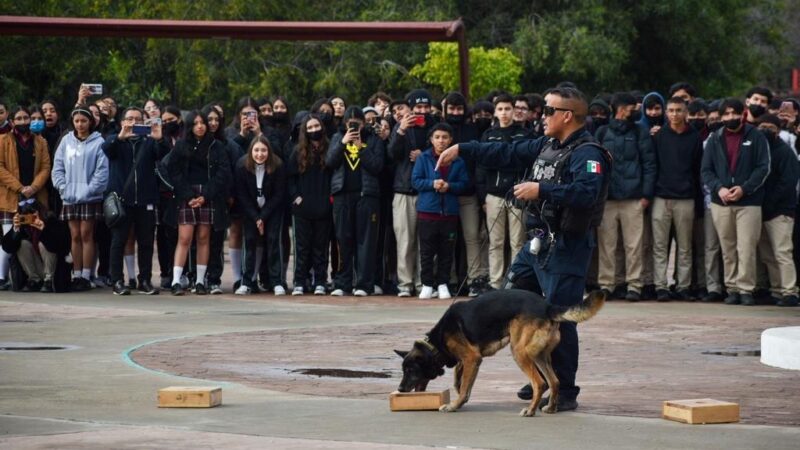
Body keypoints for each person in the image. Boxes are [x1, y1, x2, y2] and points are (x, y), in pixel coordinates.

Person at [436, 86, 611, 412]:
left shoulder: (589, 153)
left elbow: (587, 193)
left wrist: (541, 189)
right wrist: (463, 148)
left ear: (567, 115)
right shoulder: (547, 144)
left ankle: (565, 390)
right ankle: (539, 373)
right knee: (513, 300)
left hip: (566, 247)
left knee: (559, 316)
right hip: (537, 244)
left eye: (548, 111)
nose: (540, 116)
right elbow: (509, 153)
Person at [701, 98, 770, 306]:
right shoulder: (714, 138)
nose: (730, 118)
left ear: (743, 114)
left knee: (746, 247)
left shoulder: (756, 136)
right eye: (726, 114)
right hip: (721, 202)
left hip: (749, 202)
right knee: (727, 247)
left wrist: (744, 188)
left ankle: (746, 289)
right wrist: (719, 188)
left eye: (734, 113)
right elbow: (706, 170)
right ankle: (731, 288)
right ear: (721, 117)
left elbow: (763, 168)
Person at [160, 110, 231, 296]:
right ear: (190, 126)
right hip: (186, 195)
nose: (200, 126)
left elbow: (222, 173)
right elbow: (172, 170)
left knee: (203, 238)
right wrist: (187, 194)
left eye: (202, 122)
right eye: (195, 123)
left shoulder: (216, 146)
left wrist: (206, 194)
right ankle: (176, 280)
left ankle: (200, 281)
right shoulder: (182, 145)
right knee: (184, 238)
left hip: (207, 194)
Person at [102, 106, 169, 295]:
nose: (133, 122)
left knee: (146, 242)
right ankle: (117, 280)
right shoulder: (116, 140)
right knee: (119, 240)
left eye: (138, 119)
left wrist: (159, 138)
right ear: (123, 121)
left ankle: (145, 280)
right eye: (129, 118)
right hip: (122, 199)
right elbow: (106, 148)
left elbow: (164, 154)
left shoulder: (148, 142)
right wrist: (120, 136)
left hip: (145, 198)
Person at [595, 92, 656, 301]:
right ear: (621, 109)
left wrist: (646, 195)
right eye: (633, 107)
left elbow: (649, 164)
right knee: (607, 245)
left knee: (634, 245)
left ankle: (634, 285)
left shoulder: (640, 131)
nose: (636, 110)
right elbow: (594, 164)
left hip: (634, 199)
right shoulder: (602, 132)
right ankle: (607, 284)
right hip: (608, 199)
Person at [475, 93, 531, 290]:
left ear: (514, 110)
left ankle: (514, 283)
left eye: (508, 109)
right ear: (495, 112)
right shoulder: (488, 135)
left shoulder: (524, 135)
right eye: (500, 109)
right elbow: (481, 168)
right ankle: (495, 283)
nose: (504, 113)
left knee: (518, 242)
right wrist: (482, 197)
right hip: (494, 195)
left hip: (517, 194)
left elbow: (529, 165)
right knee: (495, 242)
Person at [327, 106, 384, 296]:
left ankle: (363, 284)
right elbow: (330, 163)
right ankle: (342, 283)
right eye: (350, 123)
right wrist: (343, 143)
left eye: (357, 123)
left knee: (366, 242)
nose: (354, 126)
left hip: (366, 196)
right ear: (344, 124)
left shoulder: (373, 139)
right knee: (343, 240)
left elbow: (377, 166)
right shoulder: (337, 138)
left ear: (364, 123)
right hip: (343, 196)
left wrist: (361, 148)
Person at [651, 97, 703, 301]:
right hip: (661, 197)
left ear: (686, 112)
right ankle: (660, 286)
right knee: (660, 246)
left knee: (684, 246)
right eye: (671, 110)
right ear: (666, 112)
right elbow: (653, 166)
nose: (674, 114)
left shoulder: (695, 137)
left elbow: (698, 169)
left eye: (679, 110)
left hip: (686, 198)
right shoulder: (659, 135)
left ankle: (683, 286)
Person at [51, 107, 108, 291]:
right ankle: (76, 274)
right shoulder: (66, 141)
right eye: (77, 121)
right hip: (69, 196)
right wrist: (62, 187)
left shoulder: (99, 142)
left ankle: (85, 275)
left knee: (86, 234)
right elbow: (57, 166)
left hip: (89, 197)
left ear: (90, 121)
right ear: (72, 122)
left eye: (84, 121)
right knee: (74, 235)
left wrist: (89, 191)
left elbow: (102, 171)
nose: (80, 124)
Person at [412, 122, 469, 299]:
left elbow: (465, 184)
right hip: (427, 212)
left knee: (446, 251)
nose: (441, 141)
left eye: (445, 137)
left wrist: (449, 186)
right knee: (427, 251)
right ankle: (427, 284)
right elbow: (416, 181)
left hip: (449, 213)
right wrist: (432, 184)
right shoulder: (424, 158)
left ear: (451, 139)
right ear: (431, 139)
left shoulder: (458, 160)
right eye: (437, 137)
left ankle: (443, 283)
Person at [388, 89, 436, 297]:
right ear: (410, 108)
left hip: (427, 191)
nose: (422, 111)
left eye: (426, 107)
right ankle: (405, 284)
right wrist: (400, 131)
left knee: (425, 242)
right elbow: (392, 154)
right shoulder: (400, 128)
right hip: (403, 191)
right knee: (405, 241)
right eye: (418, 108)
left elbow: (441, 152)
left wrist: (423, 155)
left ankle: (423, 282)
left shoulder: (435, 126)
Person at [0, 106, 52, 291]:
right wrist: (20, 187)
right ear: (12, 121)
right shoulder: (2, 140)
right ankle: (7, 278)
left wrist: (33, 187)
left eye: (26, 118)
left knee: (40, 236)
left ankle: (45, 277)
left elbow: (46, 167)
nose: (23, 122)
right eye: (19, 118)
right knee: (12, 239)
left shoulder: (40, 142)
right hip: (11, 197)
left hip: (36, 196)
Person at [756, 114, 799, 307]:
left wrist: (771, 203)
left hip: (780, 211)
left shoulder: (784, 152)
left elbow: (788, 182)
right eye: (762, 126)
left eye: (770, 127)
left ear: (778, 130)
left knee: (782, 252)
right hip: (761, 210)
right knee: (767, 255)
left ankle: (790, 291)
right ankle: (776, 290)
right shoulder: (759, 150)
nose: (766, 130)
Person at [233, 135, 285, 295]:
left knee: (273, 240)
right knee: (249, 241)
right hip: (251, 210)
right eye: (256, 150)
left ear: (269, 151)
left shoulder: (278, 166)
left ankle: (277, 281)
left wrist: (263, 216)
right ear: (251, 151)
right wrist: (256, 217)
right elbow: (241, 195)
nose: (260, 154)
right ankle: (247, 281)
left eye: (263, 150)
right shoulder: (242, 166)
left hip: (272, 209)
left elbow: (279, 194)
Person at [287, 115, 332, 295]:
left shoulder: (330, 149)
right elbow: (290, 178)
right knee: (302, 246)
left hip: (324, 205)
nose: (314, 130)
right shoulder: (298, 151)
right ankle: (300, 280)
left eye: (317, 126)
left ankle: (320, 280)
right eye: (310, 127)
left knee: (321, 246)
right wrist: (296, 197)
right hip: (302, 207)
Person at [1, 201, 71, 293]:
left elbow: (61, 246)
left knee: (43, 244)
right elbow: (8, 248)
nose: (30, 217)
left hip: (53, 270)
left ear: (41, 212)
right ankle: (34, 280)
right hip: (36, 268)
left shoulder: (52, 222)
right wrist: (15, 230)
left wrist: (44, 230)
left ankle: (48, 281)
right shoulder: (23, 225)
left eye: (33, 213)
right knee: (23, 244)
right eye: (26, 214)